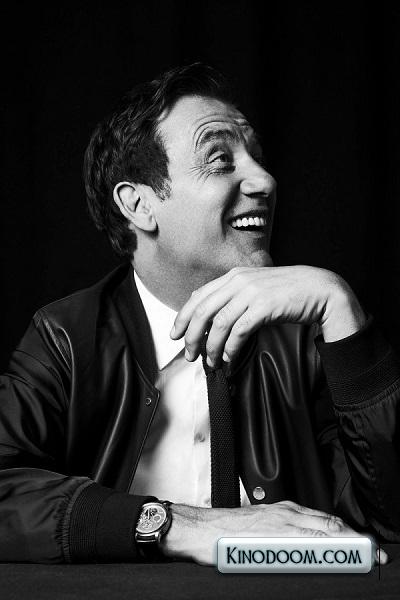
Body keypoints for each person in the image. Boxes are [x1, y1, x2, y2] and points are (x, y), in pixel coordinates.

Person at [0, 63, 399, 565]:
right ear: (139, 205)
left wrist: (343, 312)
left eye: (256, 157)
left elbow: (389, 520)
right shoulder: (65, 338)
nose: (264, 180)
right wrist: (178, 525)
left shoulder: (309, 338)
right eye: (220, 160)